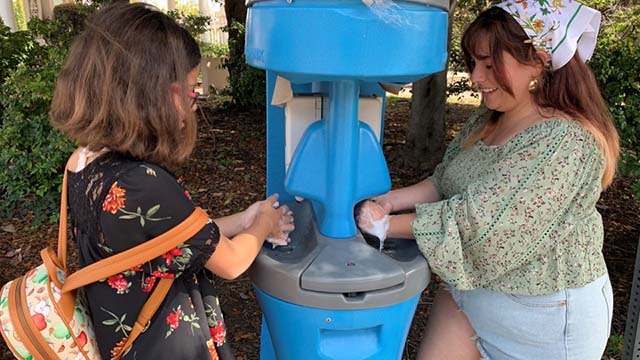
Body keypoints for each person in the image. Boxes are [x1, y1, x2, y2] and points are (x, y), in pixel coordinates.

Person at [357, 1, 620, 359]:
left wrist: (385, 225)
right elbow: (446, 180)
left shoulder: (565, 141)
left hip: (545, 322)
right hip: (471, 289)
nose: (477, 78)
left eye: (490, 64)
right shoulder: (490, 119)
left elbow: (484, 226)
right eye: (474, 64)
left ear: (538, 62)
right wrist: (389, 201)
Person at [49, 3, 293, 359]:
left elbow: (165, 241)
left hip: (122, 341)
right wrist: (264, 224)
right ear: (155, 93)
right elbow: (232, 262)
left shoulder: (83, 162)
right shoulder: (144, 184)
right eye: (193, 90)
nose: (195, 105)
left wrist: (244, 220)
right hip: (164, 345)